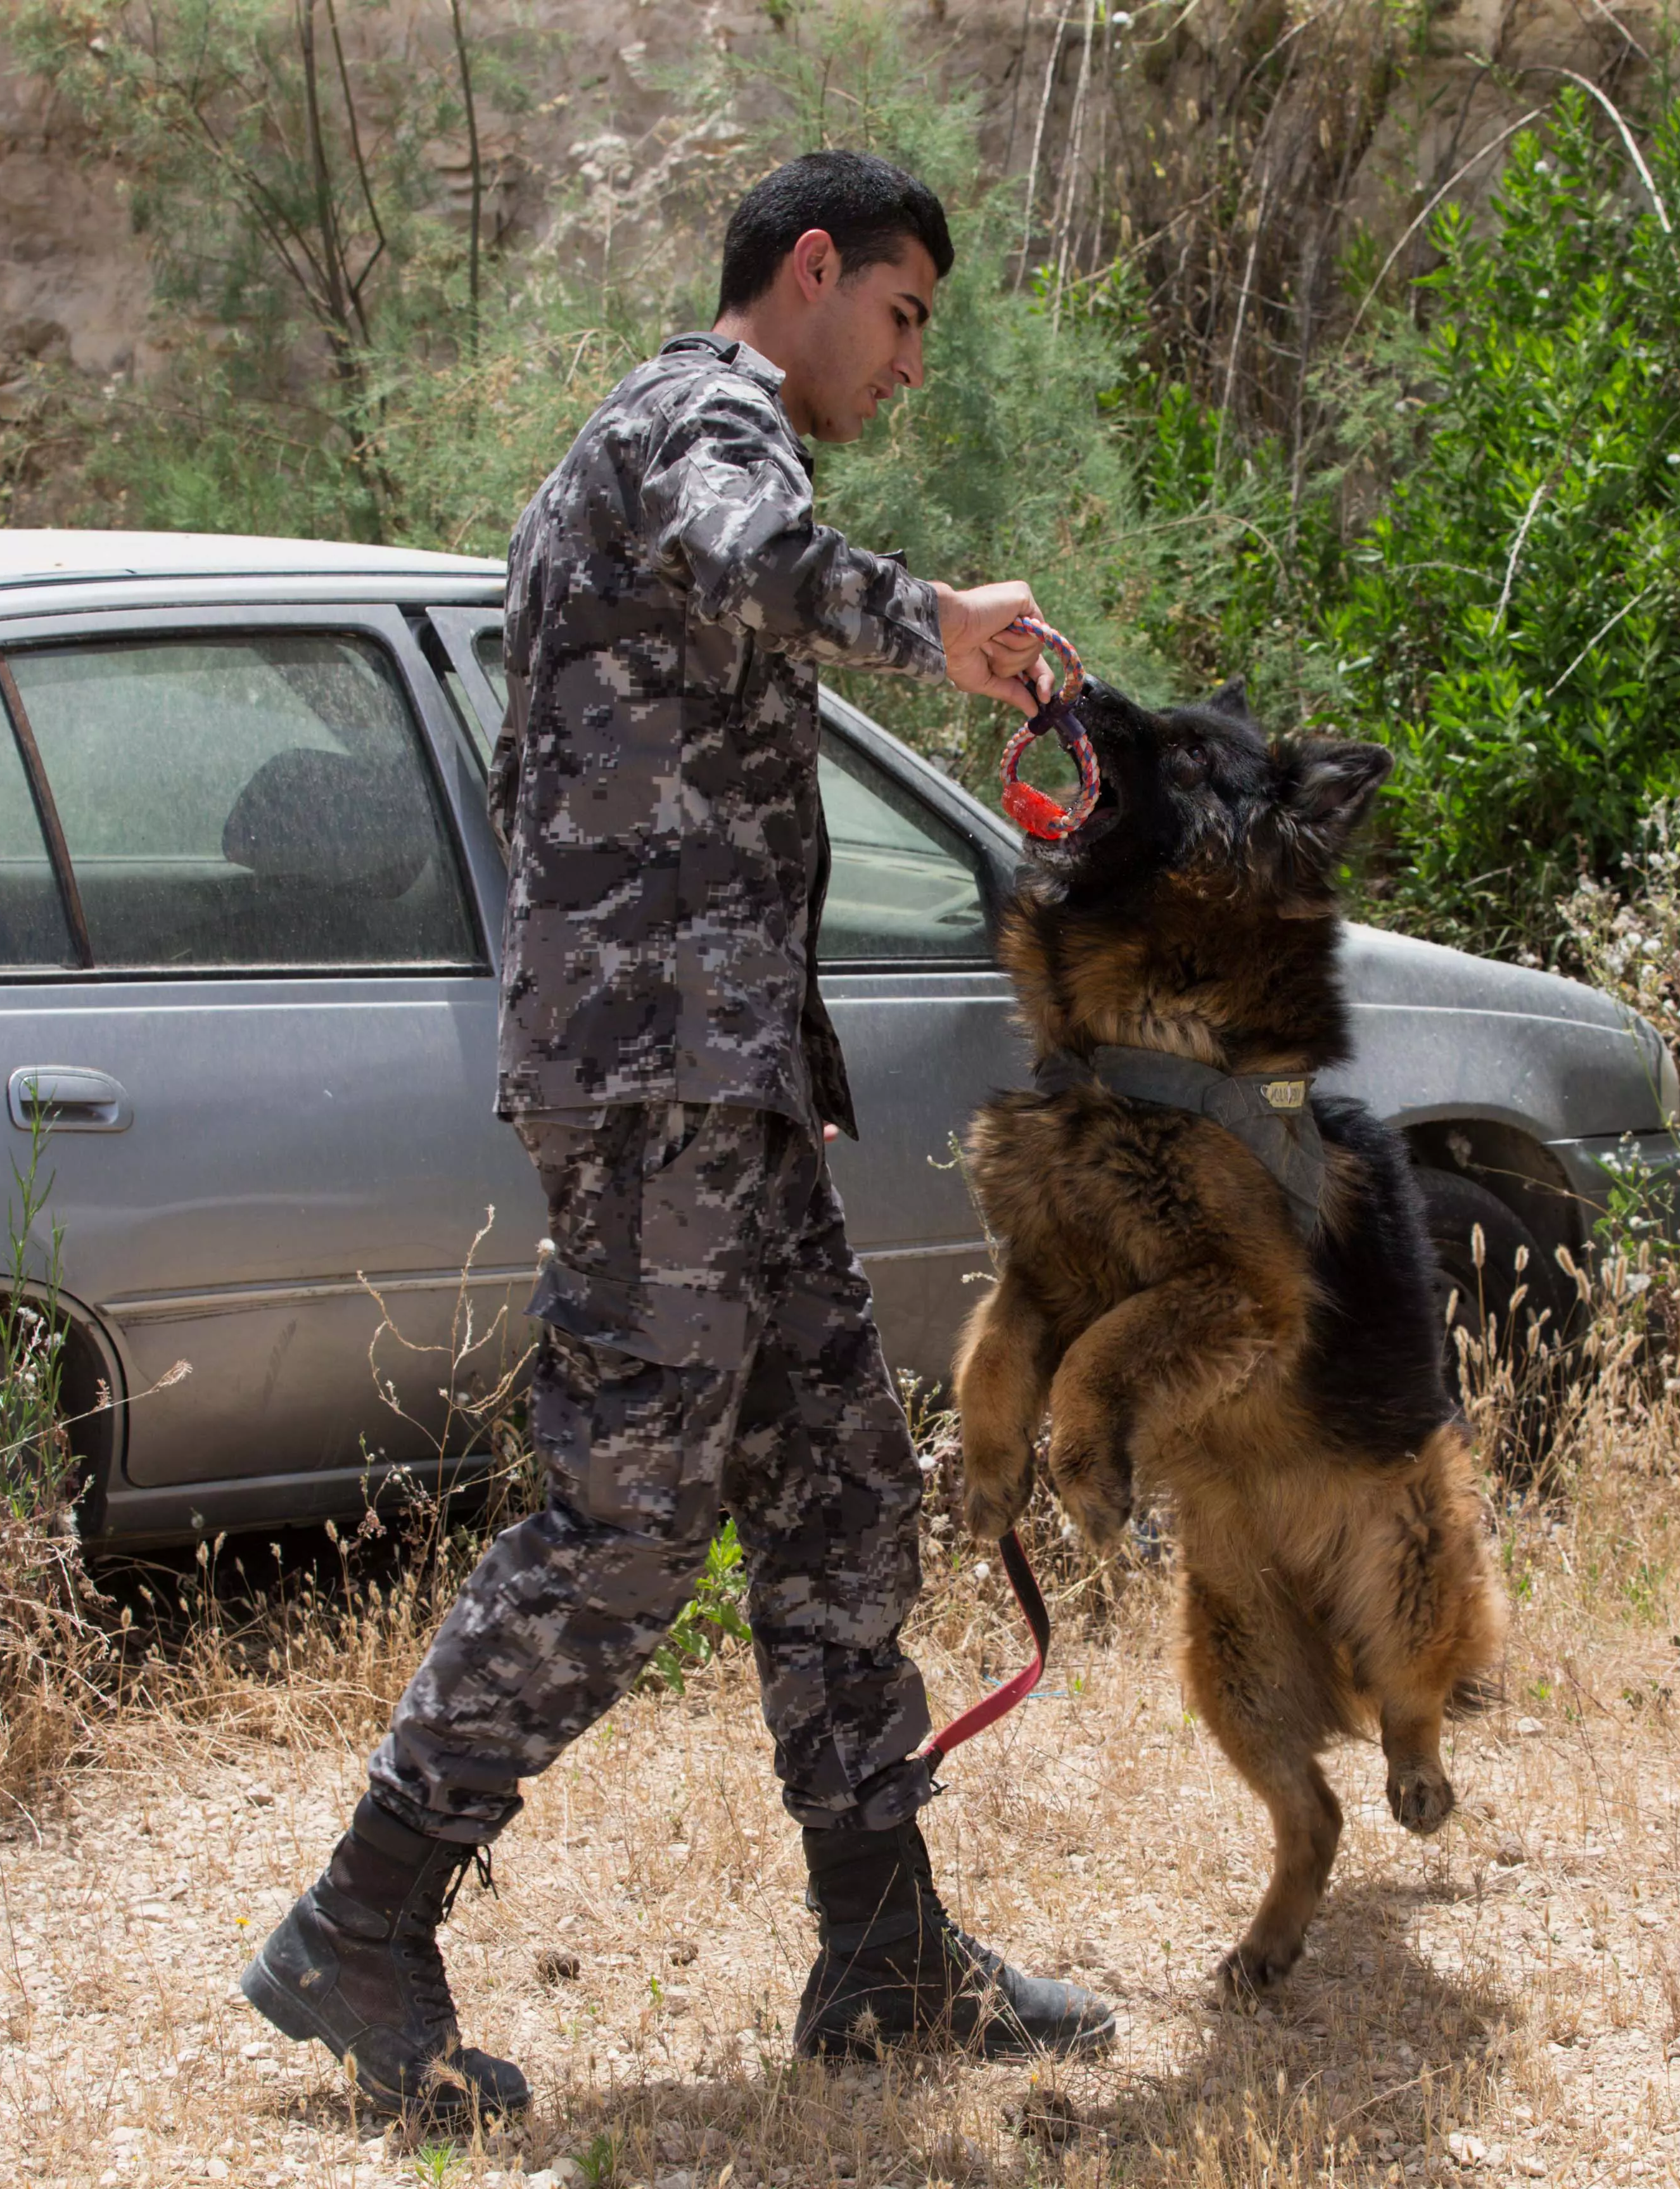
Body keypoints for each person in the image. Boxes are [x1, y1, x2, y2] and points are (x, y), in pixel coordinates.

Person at [238, 149, 1119, 2124]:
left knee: (835, 1488)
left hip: (716, 1073)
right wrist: (940, 622)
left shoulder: (643, 445)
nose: (905, 369)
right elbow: (758, 559)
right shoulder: (703, 424)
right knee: (629, 1523)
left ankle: (884, 1950)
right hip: (659, 1082)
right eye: (897, 317)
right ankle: (363, 1919)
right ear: (809, 272)